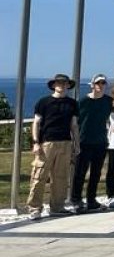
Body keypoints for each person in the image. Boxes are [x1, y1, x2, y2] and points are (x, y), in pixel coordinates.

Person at [27, 74, 79, 219]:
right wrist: (36, 142)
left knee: (61, 177)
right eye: (59, 83)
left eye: (64, 83)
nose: (61, 85)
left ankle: (57, 207)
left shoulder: (72, 103)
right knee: (39, 175)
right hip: (47, 143)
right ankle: (34, 208)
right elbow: (36, 123)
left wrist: (77, 144)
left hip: (66, 142)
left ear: (68, 85)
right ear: (54, 85)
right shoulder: (43, 102)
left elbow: (74, 125)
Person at [72, 73, 113, 213]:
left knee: (96, 173)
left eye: (103, 83)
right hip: (84, 141)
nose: (100, 86)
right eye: (98, 83)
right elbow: (75, 122)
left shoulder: (108, 101)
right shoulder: (82, 102)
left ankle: (91, 199)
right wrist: (75, 141)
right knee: (80, 172)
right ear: (92, 85)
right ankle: (76, 199)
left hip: (100, 141)